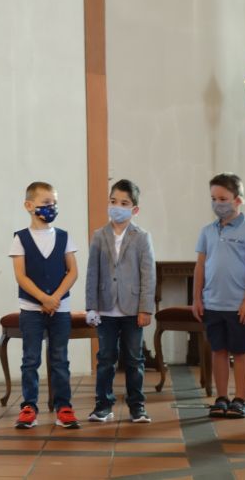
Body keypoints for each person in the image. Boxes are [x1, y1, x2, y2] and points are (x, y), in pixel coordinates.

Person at [192, 173, 245, 419]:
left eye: (223, 199)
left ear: (238, 200)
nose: (217, 204)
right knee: (218, 351)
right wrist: (197, 299)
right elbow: (200, 267)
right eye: (213, 198)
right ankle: (221, 397)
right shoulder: (207, 231)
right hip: (212, 304)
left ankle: (240, 399)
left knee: (241, 352)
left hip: (238, 306)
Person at [85, 179, 156, 423]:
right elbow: (92, 273)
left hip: (132, 309)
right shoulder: (99, 236)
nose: (117, 207)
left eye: (124, 203)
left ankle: (137, 406)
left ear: (134, 209)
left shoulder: (142, 237)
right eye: (113, 201)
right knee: (105, 358)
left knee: (134, 359)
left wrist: (145, 308)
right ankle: (103, 405)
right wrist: (91, 306)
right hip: (105, 309)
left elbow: (148, 275)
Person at [10, 181, 79, 429]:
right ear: (29, 206)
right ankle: (29, 407)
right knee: (30, 359)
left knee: (60, 358)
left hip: (60, 309)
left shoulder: (64, 237)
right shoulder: (20, 238)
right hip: (31, 310)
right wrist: (43, 298)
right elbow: (21, 276)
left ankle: (64, 407)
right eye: (46, 203)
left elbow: (72, 272)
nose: (52, 207)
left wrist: (55, 298)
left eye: (54, 203)